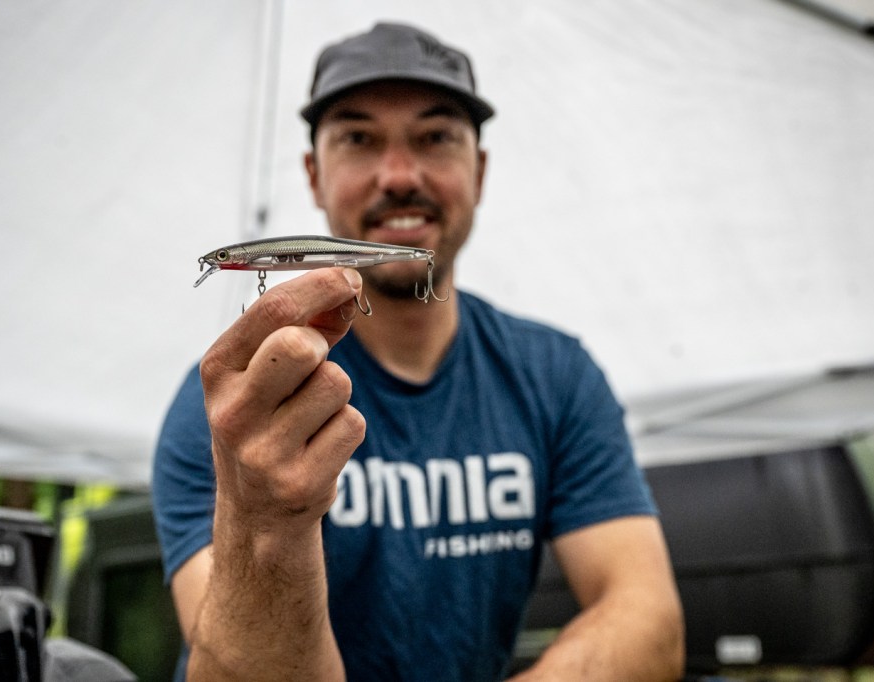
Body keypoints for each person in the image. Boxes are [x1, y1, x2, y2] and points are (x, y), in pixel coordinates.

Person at [152, 21, 684, 682]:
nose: (400, 176)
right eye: (358, 139)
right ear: (314, 176)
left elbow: (648, 619)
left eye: (436, 137)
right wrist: (266, 525)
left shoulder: (556, 376)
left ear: (479, 171)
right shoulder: (232, 410)